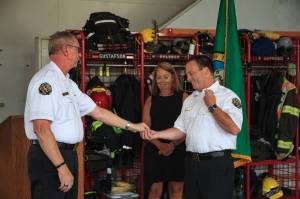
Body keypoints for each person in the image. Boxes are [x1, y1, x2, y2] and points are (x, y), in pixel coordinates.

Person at [24, 31, 150, 199]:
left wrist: (133, 126)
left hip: (67, 155)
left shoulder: (68, 83)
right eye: (77, 49)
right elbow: (41, 128)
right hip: (50, 158)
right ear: (66, 50)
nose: (80, 54)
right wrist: (61, 166)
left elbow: (98, 112)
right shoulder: (46, 81)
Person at [141, 55, 243, 199]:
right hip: (191, 164)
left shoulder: (228, 96)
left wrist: (212, 106)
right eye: (187, 74)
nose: (188, 78)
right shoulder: (190, 100)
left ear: (206, 71)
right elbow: (180, 130)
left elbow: (234, 128)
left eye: (191, 73)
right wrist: (156, 134)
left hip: (216, 165)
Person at [143, 62, 188, 199]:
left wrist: (172, 145)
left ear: (173, 78)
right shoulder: (150, 100)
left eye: (166, 77)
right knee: (154, 191)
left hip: (178, 148)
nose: (162, 81)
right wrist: (161, 145)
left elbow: (189, 127)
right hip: (155, 149)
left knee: (176, 190)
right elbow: (144, 129)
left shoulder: (183, 97)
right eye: (158, 77)